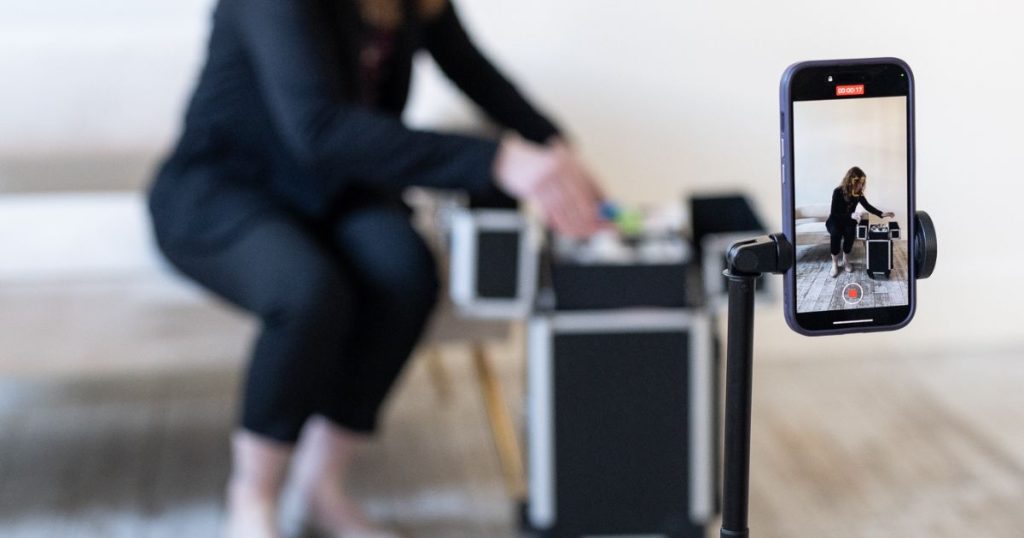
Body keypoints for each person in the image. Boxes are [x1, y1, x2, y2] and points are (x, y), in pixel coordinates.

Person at [146, 0, 604, 536]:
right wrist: (497, 159)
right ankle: (253, 495)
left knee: (406, 274)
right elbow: (318, 130)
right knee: (308, 292)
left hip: (339, 188)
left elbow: (473, 70)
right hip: (230, 186)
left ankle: (320, 488)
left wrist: (557, 152)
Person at [825, 166, 895, 277]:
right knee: (835, 233)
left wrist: (881, 214)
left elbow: (867, 206)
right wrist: (851, 214)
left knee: (850, 232)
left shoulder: (858, 194)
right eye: (859, 183)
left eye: (862, 183)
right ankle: (834, 263)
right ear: (850, 181)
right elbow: (834, 214)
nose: (861, 186)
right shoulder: (837, 192)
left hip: (849, 221)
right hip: (835, 220)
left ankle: (846, 260)